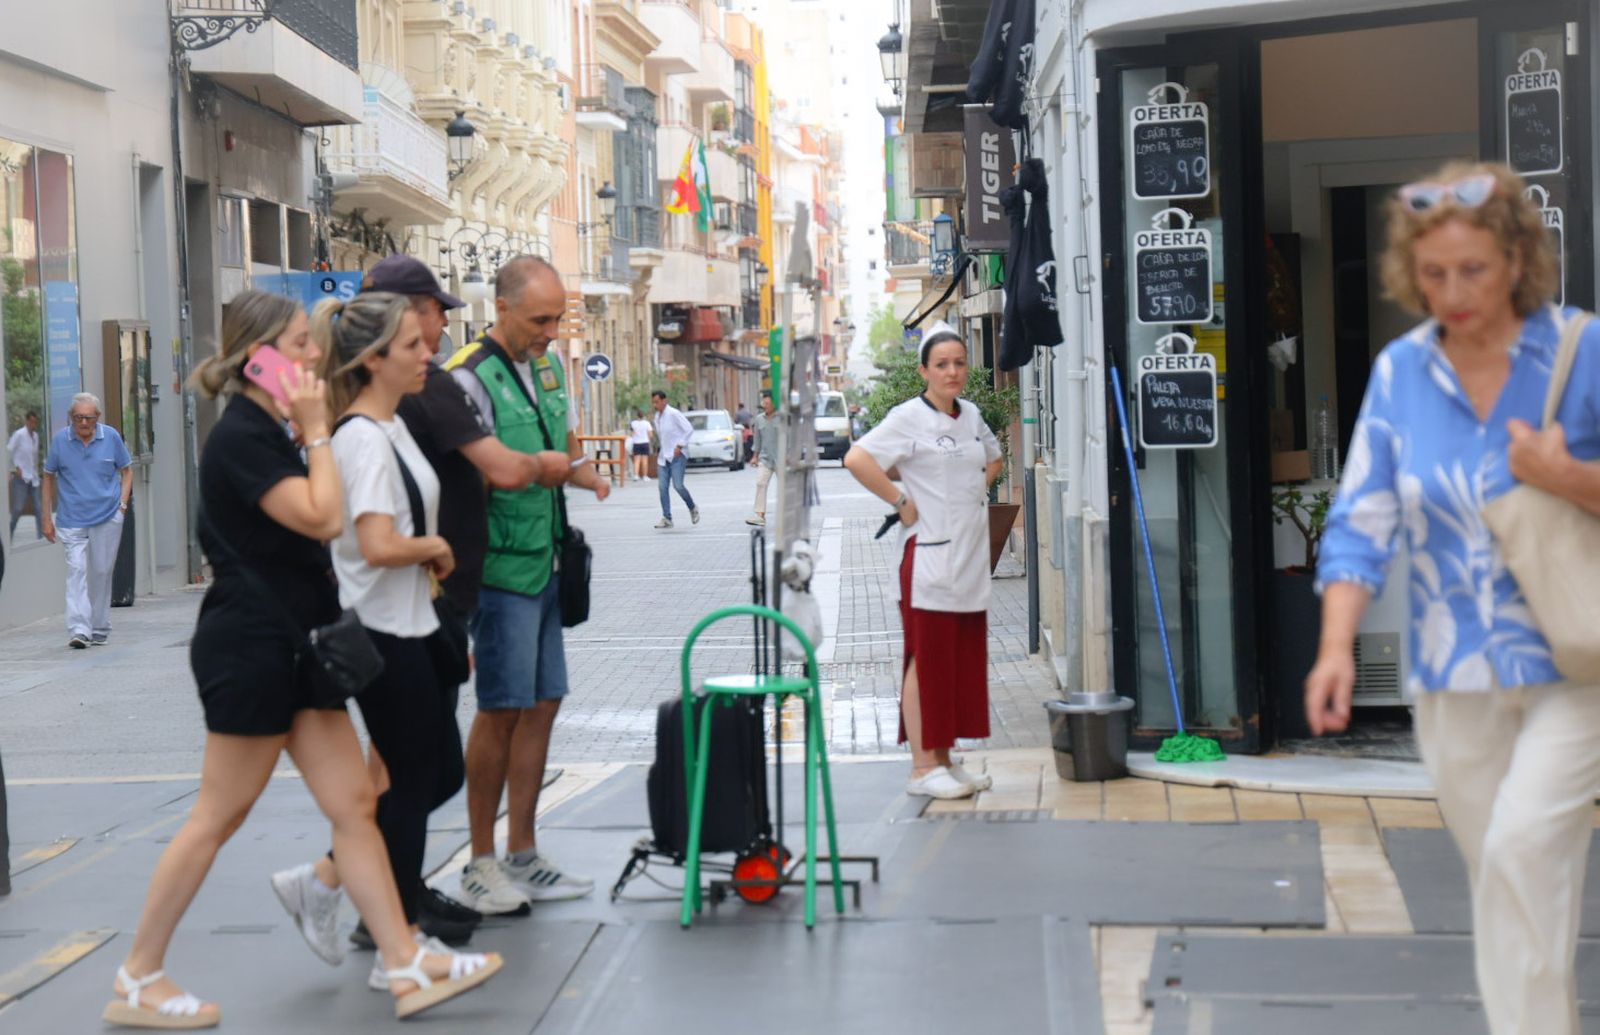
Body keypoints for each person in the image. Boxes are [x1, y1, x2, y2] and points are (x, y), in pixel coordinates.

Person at [107, 290, 499, 1030]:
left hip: (302, 645)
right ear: (258, 358)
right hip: (252, 647)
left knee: (354, 804)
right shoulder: (244, 437)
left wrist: (311, 431)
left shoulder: (272, 432)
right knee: (217, 815)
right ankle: (139, 973)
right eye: (297, 343)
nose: (314, 354)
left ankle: (404, 957)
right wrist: (319, 430)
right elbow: (323, 516)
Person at [1306, 161, 1600, 1035]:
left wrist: (1566, 475)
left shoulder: (1579, 351)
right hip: (1452, 674)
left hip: (1573, 664)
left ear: (1516, 258)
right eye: (1434, 274)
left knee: (1521, 851)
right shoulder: (1402, 374)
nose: (1454, 291)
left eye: (1473, 269)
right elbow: (1363, 520)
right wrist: (1334, 648)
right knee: (1507, 887)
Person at [269, 256, 570, 951]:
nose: (430, 351)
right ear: (378, 356)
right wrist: (433, 548)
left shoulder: (397, 422)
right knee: (408, 777)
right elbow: (375, 541)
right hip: (385, 628)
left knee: (422, 773)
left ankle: (359, 897)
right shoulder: (366, 436)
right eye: (414, 341)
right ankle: (393, 926)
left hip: (419, 618)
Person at [446, 256, 611, 915]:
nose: (551, 332)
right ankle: (480, 861)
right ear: (504, 308)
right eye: (540, 319)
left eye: (557, 318)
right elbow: (471, 476)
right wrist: (538, 470)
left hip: (545, 561)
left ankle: (524, 851)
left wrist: (582, 473)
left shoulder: (545, 368)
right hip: (499, 571)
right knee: (502, 706)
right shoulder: (469, 377)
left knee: (544, 702)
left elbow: (560, 448)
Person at [844, 323, 1002, 800]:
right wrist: (900, 499)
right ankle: (920, 768)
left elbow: (993, 458)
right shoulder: (908, 416)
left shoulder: (971, 415)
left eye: (959, 363)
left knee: (956, 662)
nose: (952, 372)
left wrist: (973, 491)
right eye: (942, 364)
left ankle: (945, 759)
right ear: (924, 371)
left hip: (969, 560)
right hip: (928, 559)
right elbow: (857, 458)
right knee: (924, 659)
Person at [40, 394, 132, 649]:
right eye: (78, 418)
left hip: (108, 514)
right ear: (71, 418)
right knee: (77, 571)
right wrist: (47, 518)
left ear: (97, 418)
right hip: (72, 518)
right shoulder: (60, 441)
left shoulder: (110, 437)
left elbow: (127, 470)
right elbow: (48, 477)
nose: (83, 423)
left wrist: (122, 506)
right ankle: (79, 629)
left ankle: (100, 626)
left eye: (88, 418)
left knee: (101, 571)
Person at [651, 390, 698, 529]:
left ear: (664, 401)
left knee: (678, 486)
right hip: (663, 457)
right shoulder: (657, 417)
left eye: (657, 402)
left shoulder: (674, 414)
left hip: (677, 456)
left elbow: (689, 429)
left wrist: (680, 445)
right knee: (662, 487)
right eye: (653, 402)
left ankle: (692, 507)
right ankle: (667, 517)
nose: (655, 405)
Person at [746, 391, 779, 526]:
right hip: (765, 458)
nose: (765, 406)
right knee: (761, 483)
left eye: (767, 403)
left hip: (782, 458)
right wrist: (755, 456)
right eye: (763, 403)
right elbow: (757, 440)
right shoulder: (759, 419)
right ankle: (760, 515)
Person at [8, 410, 41, 542]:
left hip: (33, 478)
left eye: (35, 422)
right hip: (21, 478)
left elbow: (35, 456)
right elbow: (8, 450)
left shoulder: (36, 436)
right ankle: (9, 534)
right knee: (17, 509)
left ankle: (41, 537)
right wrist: (15, 468)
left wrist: (37, 471)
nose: (33, 424)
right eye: (31, 421)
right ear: (26, 421)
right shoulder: (19, 434)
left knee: (39, 509)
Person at [628, 409, 654, 481]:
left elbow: (631, 434)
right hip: (645, 443)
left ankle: (636, 475)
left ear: (637, 416)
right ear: (643, 416)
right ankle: (645, 476)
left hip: (636, 443)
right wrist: (647, 438)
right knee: (645, 460)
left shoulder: (633, 423)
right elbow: (651, 434)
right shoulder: (647, 423)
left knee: (637, 460)